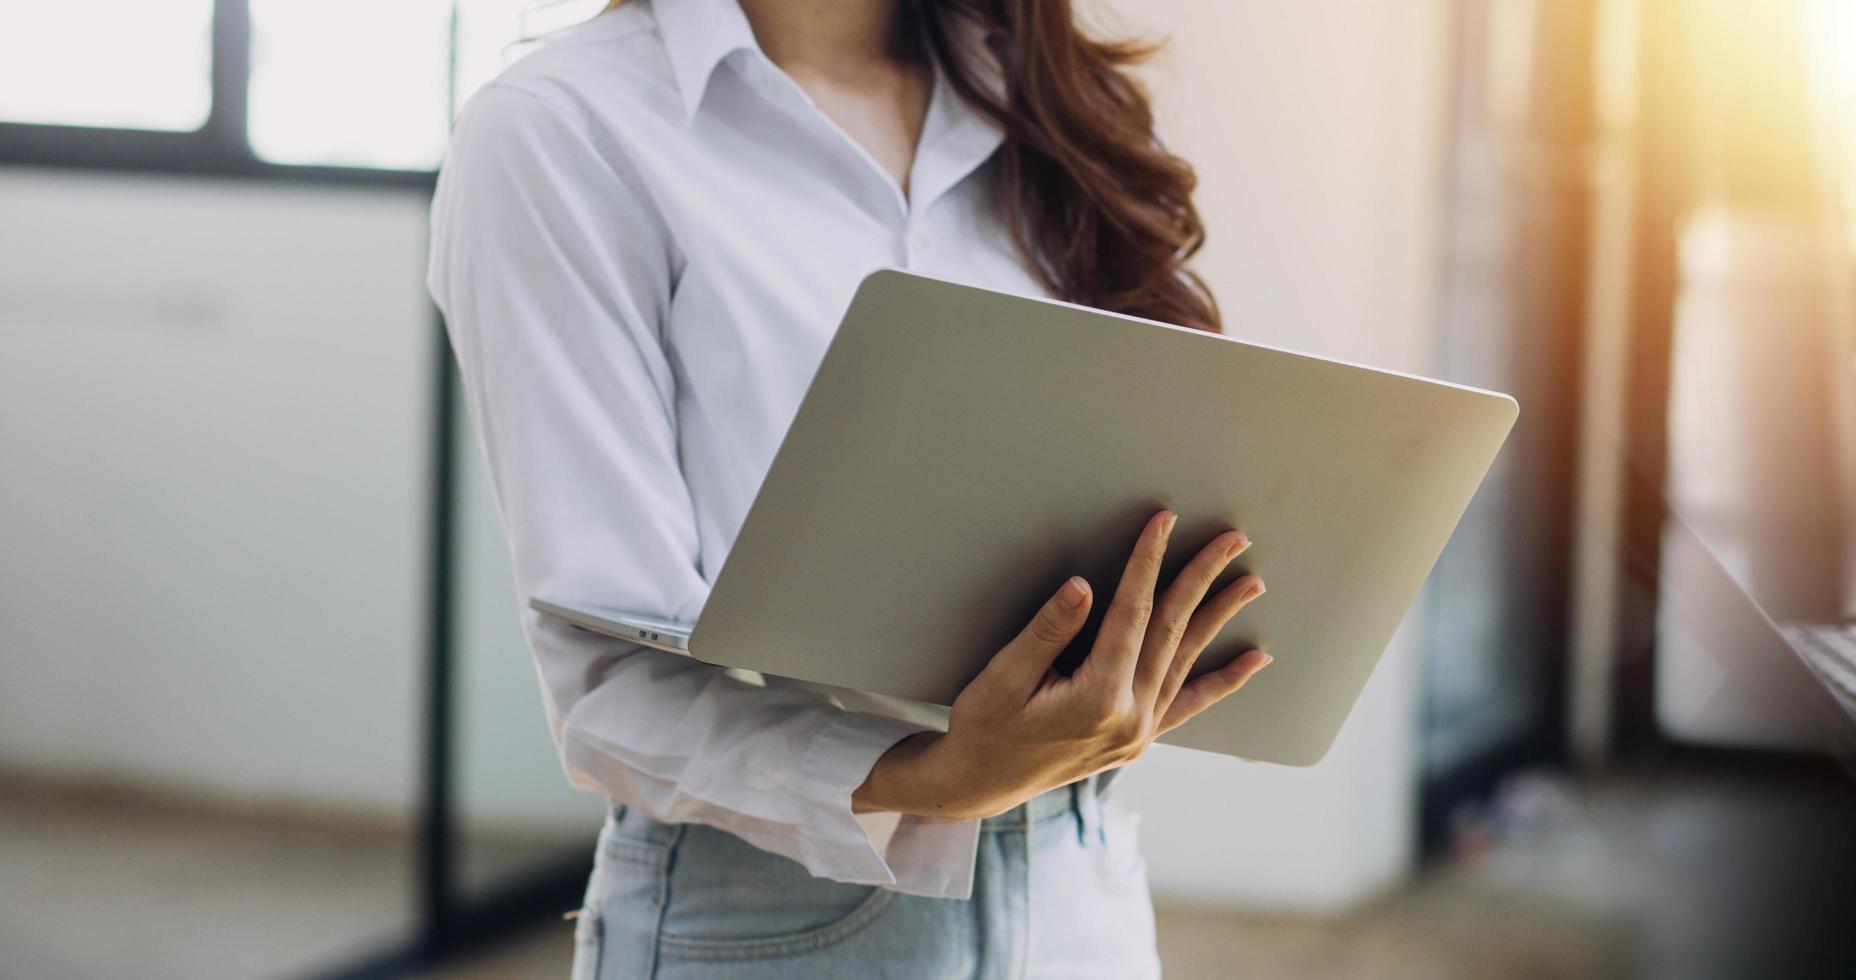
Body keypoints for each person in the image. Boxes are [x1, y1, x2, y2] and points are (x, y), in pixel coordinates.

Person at [428, 0, 1272, 974]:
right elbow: (607, 680)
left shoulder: (1053, 106)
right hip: (766, 914)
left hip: (1081, 881)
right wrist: (928, 776)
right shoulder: (562, 129)